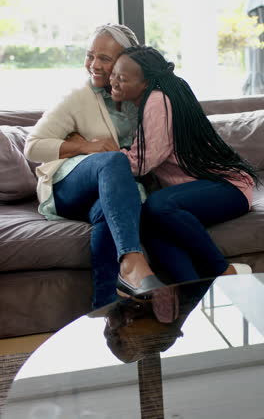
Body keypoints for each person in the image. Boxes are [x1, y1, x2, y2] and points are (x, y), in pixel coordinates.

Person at [24, 25, 165, 311]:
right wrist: (84, 147)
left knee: (108, 211)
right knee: (113, 161)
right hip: (67, 188)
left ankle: (105, 309)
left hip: (109, 192)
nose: (94, 65)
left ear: (127, 62)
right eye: (90, 56)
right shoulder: (78, 98)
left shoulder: (143, 101)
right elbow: (33, 145)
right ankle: (133, 260)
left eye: (104, 58)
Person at [107, 45, 259, 288]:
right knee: (148, 223)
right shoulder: (153, 97)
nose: (113, 80)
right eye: (113, 73)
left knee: (158, 205)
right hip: (201, 188)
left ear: (145, 83)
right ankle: (192, 293)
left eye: (122, 78)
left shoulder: (157, 100)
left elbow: (142, 162)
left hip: (228, 187)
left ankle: (224, 270)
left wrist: (104, 151)